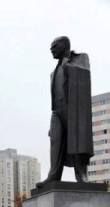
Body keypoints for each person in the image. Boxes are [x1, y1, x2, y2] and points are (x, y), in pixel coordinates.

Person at [36, 36, 93, 187]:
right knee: (55, 141)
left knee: (77, 141)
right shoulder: (53, 73)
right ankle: (53, 175)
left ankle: (81, 175)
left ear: (64, 46)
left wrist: (68, 66)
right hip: (57, 112)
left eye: (54, 46)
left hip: (74, 109)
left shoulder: (80, 58)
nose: (51, 50)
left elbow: (85, 73)